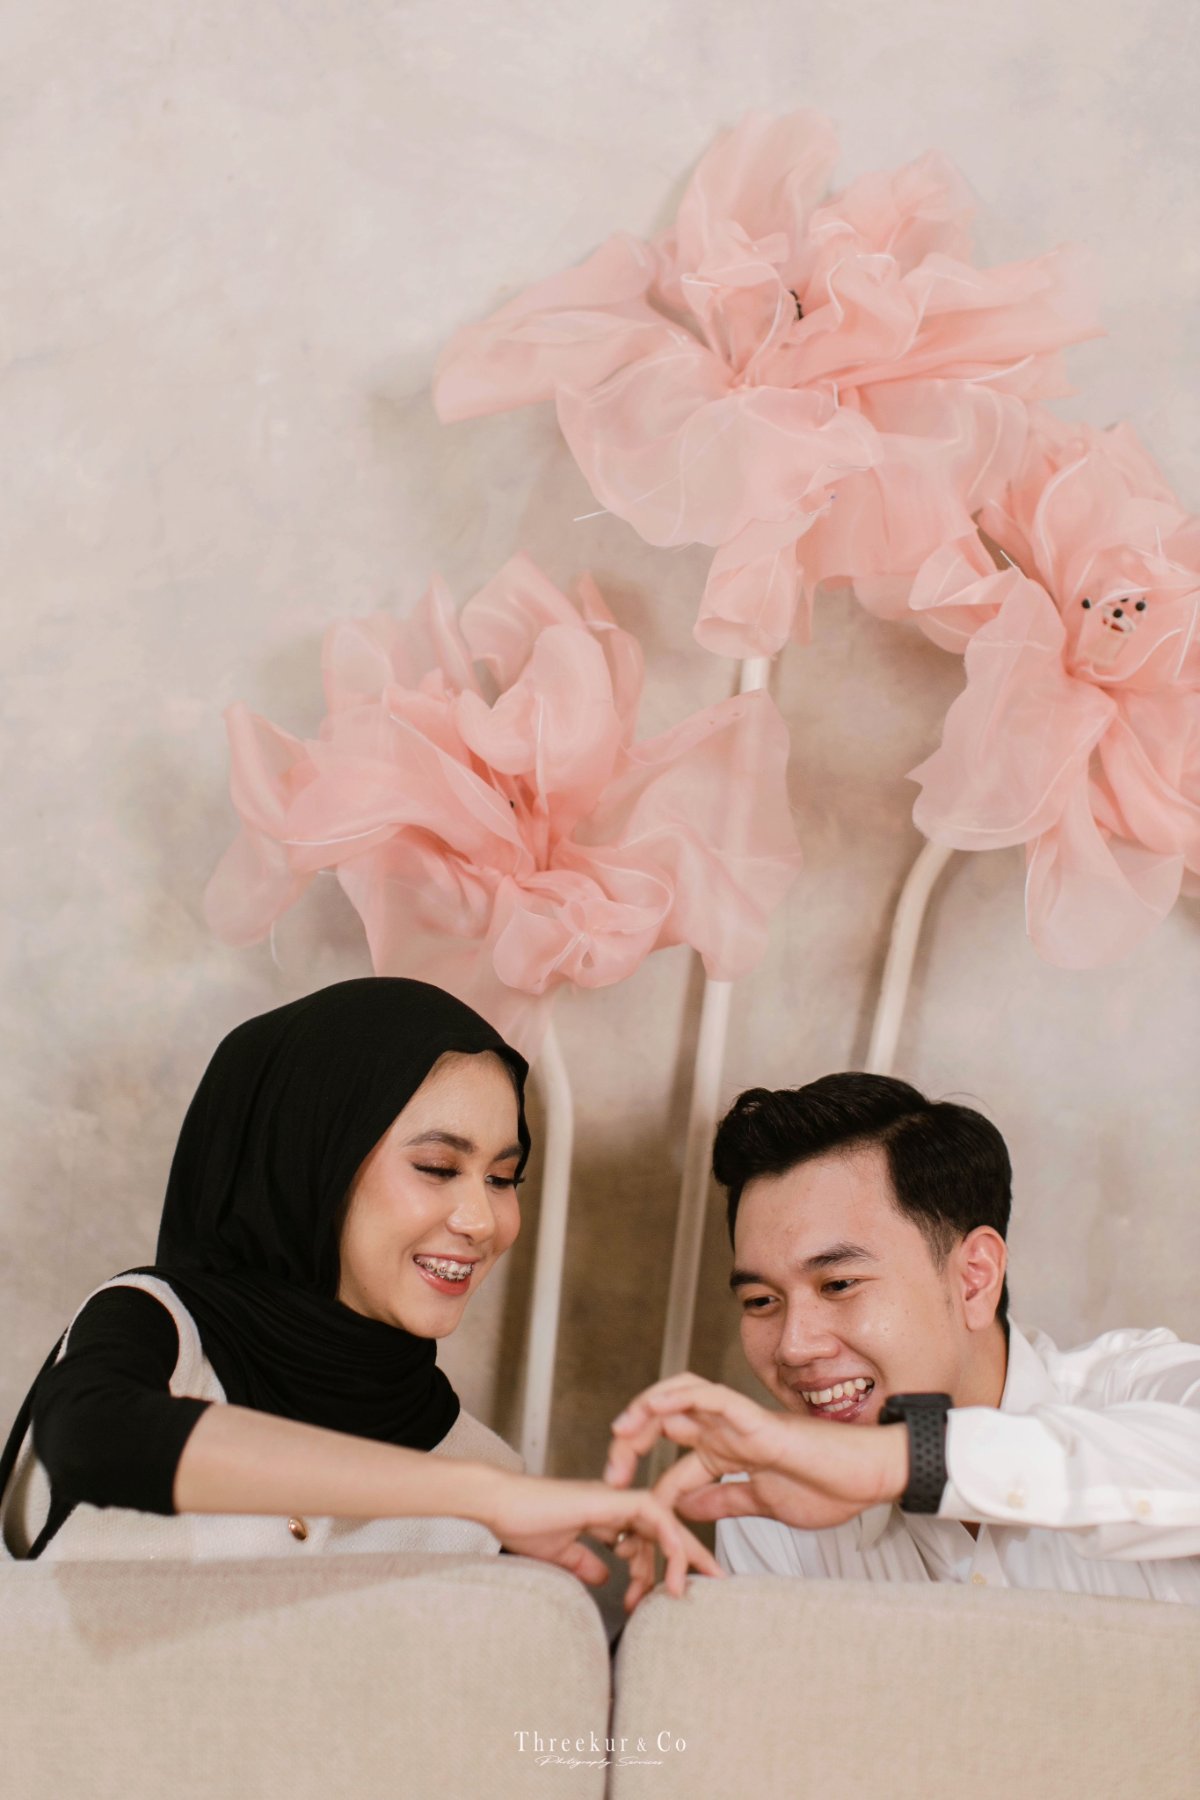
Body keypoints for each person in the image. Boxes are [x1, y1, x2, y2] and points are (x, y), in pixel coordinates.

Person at [1, 977, 718, 1610]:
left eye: (502, 1178)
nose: (481, 1221)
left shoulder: (487, 1472)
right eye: (438, 1167)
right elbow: (94, 1441)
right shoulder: (158, 1327)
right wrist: (477, 1496)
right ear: (314, 1157)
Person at [606, 1073, 1200, 1603]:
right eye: (761, 1301)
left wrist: (899, 1462)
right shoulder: (767, 1506)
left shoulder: (1142, 1391)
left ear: (973, 1279)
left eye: (839, 1284)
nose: (793, 1347)